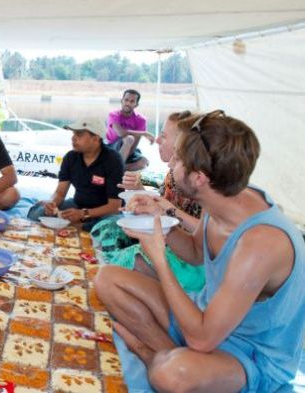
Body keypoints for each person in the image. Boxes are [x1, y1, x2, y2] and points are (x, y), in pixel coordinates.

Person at [95, 110, 305, 392]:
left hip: (250, 353)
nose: (171, 162)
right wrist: (161, 223)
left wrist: (159, 259)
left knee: (173, 376)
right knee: (107, 278)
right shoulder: (223, 194)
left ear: (199, 178)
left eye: (178, 158)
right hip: (203, 315)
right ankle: (168, 355)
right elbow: (196, 251)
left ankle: (154, 357)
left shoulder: (260, 245)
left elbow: (203, 340)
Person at [90, 111, 205, 293]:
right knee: (105, 228)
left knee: (120, 260)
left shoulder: (202, 183)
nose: (157, 140)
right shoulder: (173, 175)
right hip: (172, 242)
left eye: (164, 136)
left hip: (184, 255)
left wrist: (166, 210)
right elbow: (162, 208)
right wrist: (141, 194)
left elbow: (199, 241)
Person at [27, 117, 123, 231]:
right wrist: (52, 204)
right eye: (73, 134)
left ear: (96, 138)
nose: (73, 138)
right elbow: (60, 193)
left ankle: (82, 226)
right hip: (77, 205)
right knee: (36, 215)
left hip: (104, 212)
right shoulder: (70, 158)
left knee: (111, 227)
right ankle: (79, 226)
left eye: (79, 134)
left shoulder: (113, 160)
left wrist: (83, 214)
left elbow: (115, 206)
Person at [106, 89, 155, 171]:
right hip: (111, 147)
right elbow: (120, 133)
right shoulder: (113, 115)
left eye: (132, 101)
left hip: (129, 149)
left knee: (144, 162)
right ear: (122, 101)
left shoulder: (141, 119)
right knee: (129, 138)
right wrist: (144, 133)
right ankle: (117, 168)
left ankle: (116, 168)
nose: (128, 103)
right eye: (126, 100)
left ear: (136, 104)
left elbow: (136, 142)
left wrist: (128, 155)